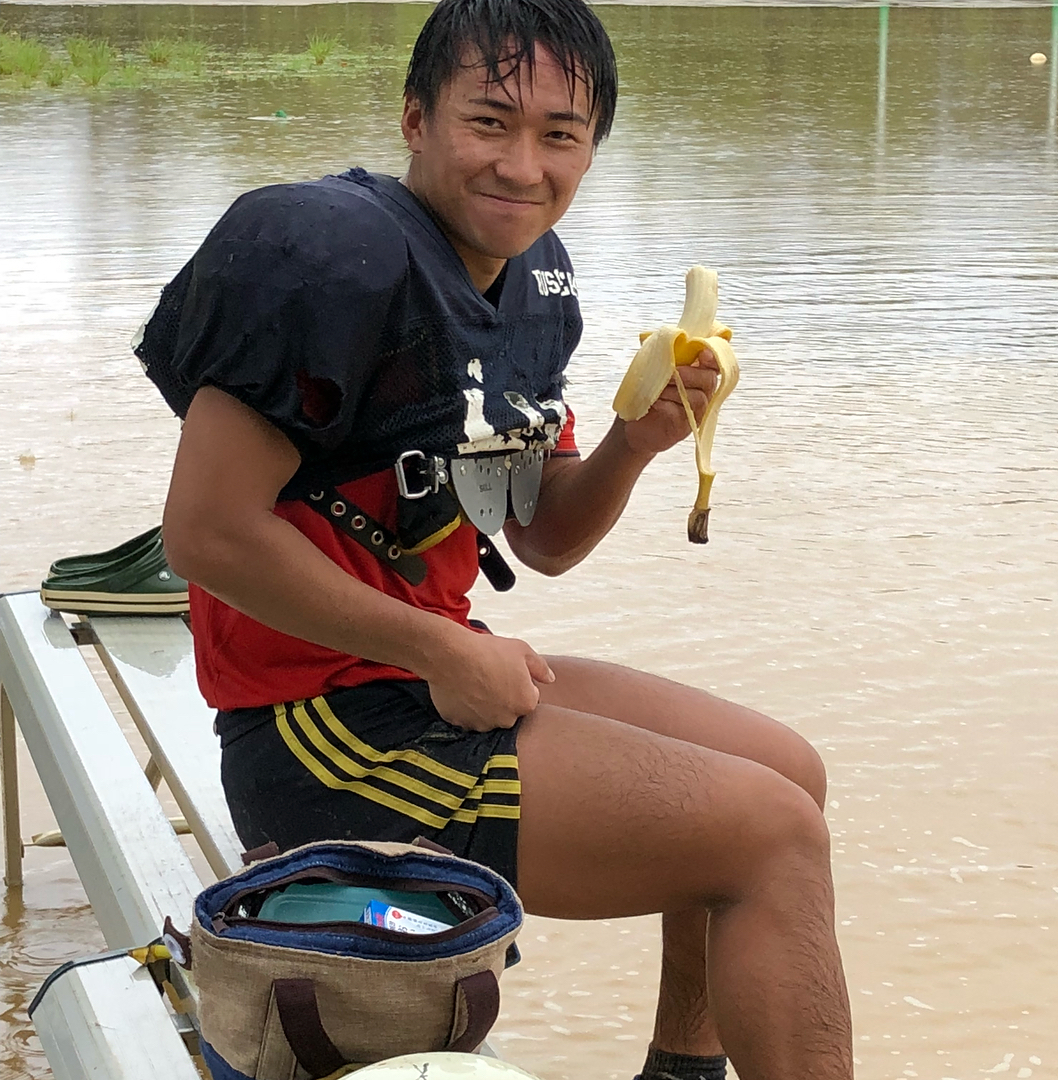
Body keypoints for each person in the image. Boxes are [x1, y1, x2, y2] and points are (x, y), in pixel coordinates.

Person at [140, 0, 854, 1076]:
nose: (524, 165)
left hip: (428, 680)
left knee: (785, 771)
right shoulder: (322, 250)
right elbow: (205, 533)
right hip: (318, 729)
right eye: (491, 122)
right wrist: (439, 647)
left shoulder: (535, 284)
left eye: (561, 135)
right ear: (415, 118)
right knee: (770, 838)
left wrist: (636, 438)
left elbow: (547, 531)